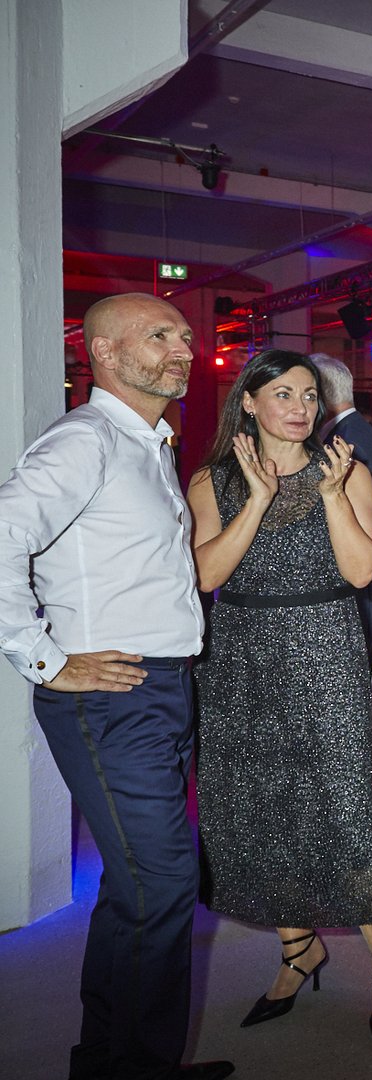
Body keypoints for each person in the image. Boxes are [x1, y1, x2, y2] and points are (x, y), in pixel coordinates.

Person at [0, 294, 233, 1080]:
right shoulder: (86, 439)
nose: (183, 349)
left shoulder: (149, 444)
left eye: (185, 336)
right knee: (161, 883)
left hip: (160, 689)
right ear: (102, 352)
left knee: (138, 885)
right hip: (112, 698)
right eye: (158, 336)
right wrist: (46, 659)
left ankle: (112, 1062)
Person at [187, 350, 372, 1048]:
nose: (300, 407)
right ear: (249, 403)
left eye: (309, 395)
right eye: (282, 393)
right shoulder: (212, 479)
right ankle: (297, 949)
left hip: (323, 644)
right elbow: (206, 574)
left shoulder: (347, 470)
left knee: (344, 805)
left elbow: (364, 570)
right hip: (239, 656)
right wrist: (256, 501)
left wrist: (333, 494)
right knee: (260, 806)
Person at [313, 354, 372, 654]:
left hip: (362, 594)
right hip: (366, 592)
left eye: (308, 393)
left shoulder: (347, 441)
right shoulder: (355, 432)